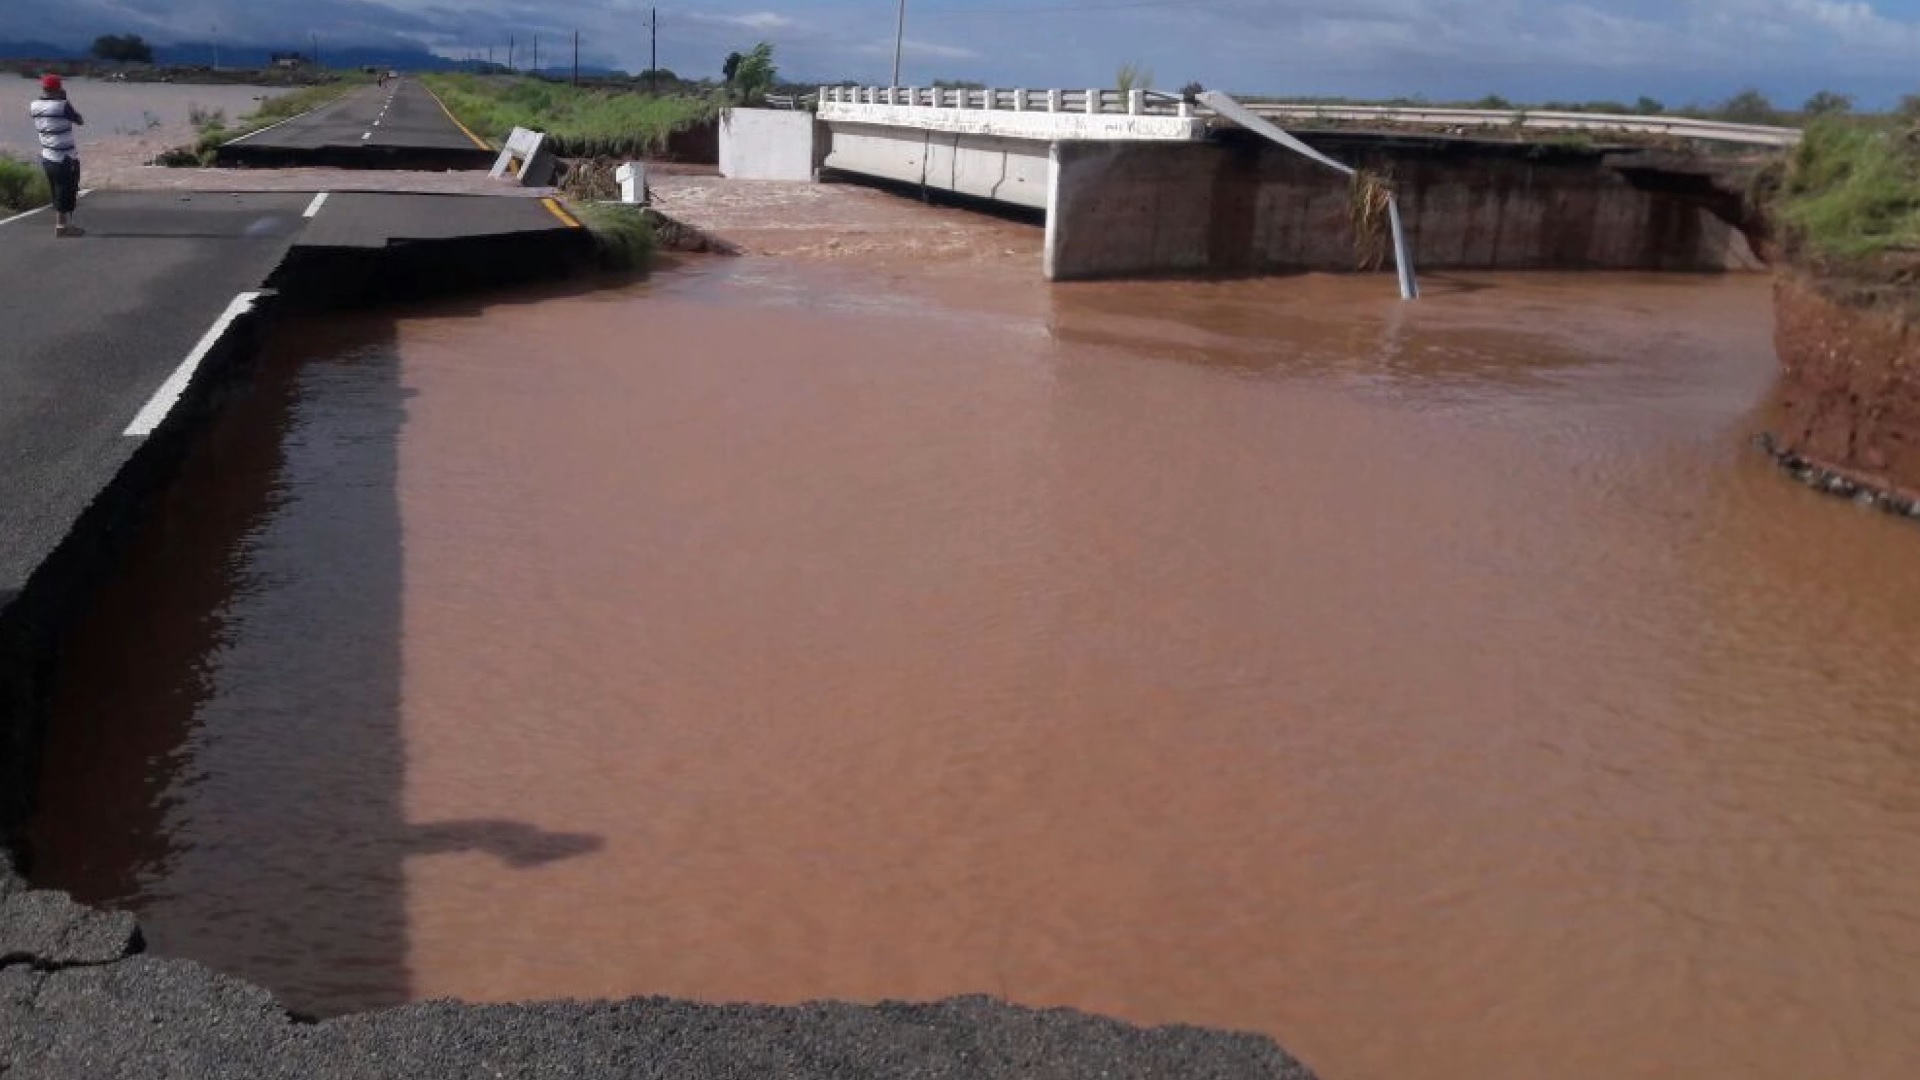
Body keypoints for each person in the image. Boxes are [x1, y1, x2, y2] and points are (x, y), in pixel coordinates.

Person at [29, 74, 84, 238]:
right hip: (64, 157)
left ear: (43, 88)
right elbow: (79, 120)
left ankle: (64, 225)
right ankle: (62, 227)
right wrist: (64, 99)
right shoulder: (62, 105)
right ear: (58, 88)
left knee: (57, 190)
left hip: (47, 155)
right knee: (66, 190)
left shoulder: (34, 106)